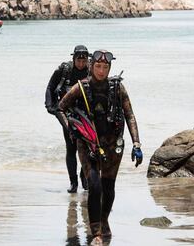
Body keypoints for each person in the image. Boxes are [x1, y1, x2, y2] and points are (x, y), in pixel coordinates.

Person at [59, 50, 143, 245]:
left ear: (109, 68)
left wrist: (137, 143)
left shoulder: (117, 88)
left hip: (113, 144)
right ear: (91, 66)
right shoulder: (81, 87)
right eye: (98, 66)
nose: (101, 71)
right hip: (88, 144)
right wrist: (71, 127)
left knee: (108, 187)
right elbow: (60, 107)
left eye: (105, 67)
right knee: (94, 186)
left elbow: (130, 115)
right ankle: (96, 230)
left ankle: (104, 221)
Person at [45, 45, 90, 193]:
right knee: (71, 148)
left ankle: (84, 178)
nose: (81, 63)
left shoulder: (92, 71)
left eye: (84, 61)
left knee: (89, 149)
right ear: (74, 58)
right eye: (79, 60)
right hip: (67, 114)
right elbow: (50, 87)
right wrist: (50, 106)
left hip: (87, 115)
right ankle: (73, 183)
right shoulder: (64, 70)